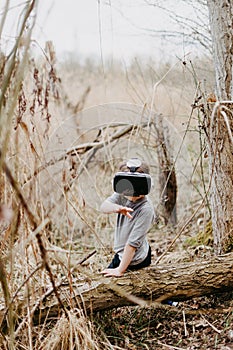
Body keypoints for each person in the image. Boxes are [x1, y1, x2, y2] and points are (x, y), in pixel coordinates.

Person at [100, 158, 155, 277]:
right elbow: (103, 207)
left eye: (138, 189)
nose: (133, 195)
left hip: (135, 258)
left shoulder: (146, 209)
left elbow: (132, 245)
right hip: (121, 253)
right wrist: (116, 208)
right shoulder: (122, 195)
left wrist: (120, 270)